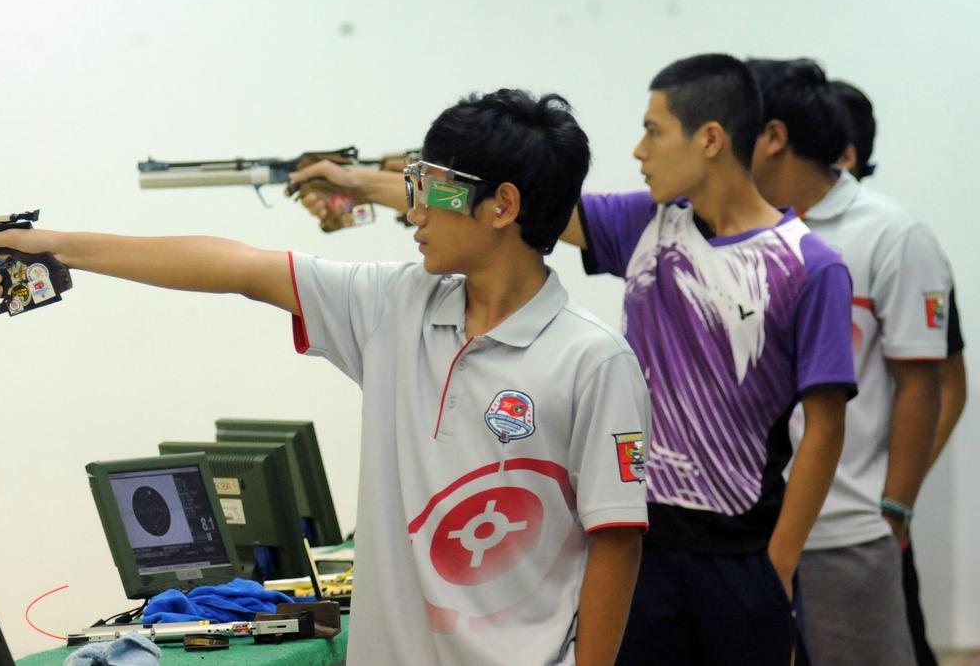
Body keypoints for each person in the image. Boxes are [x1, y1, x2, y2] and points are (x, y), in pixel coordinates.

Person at [0, 89, 650, 666]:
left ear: (501, 206)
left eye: (428, 189)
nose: (412, 211)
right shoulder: (394, 306)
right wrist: (56, 246)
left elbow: (614, 543)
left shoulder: (592, 361)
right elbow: (236, 266)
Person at [291, 53, 857, 665]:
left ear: (712, 139)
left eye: (654, 130)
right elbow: (506, 204)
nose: (639, 150)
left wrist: (779, 560)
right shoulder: (647, 224)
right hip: (644, 534)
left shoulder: (811, 264)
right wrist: (369, 185)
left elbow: (824, 426)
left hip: (741, 544)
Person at [747, 57, 953, 666]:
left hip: (846, 529)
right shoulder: (736, 228)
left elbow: (925, 383)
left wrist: (894, 509)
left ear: (773, 137)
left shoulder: (891, 234)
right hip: (742, 526)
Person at [830, 77, 969, 666]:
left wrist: (896, 500)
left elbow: (949, 385)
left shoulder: (901, 244)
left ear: (844, 156)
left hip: (867, 517)